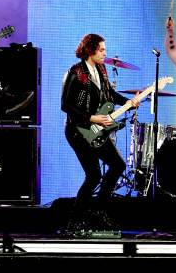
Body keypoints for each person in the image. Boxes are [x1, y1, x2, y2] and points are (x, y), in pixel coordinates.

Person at [61, 33, 139, 231]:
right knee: (94, 175)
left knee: (117, 165)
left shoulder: (102, 70)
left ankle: (98, 212)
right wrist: (92, 118)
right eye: (102, 50)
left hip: (95, 130)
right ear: (90, 50)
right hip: (77, 130)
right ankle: (75, 220)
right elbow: (66, 105)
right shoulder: (76, 72)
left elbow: (110, 95)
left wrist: (129, 103)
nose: (105, 53)